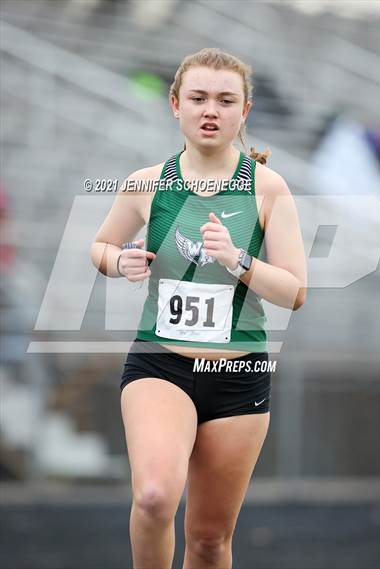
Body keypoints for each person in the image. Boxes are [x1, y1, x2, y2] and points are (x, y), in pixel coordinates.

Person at [90, 47, 307, 569]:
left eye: (226, 100)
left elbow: (294, 292)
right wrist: (121, 263)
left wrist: (239, 260)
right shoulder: (146, 182)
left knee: (209, 541)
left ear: (244, 111)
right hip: (160, 364)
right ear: (176, 104)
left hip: (237, 372)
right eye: (199, 98)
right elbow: (100, 248)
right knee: (155, 497)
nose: (211, 110)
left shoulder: (268, 188)